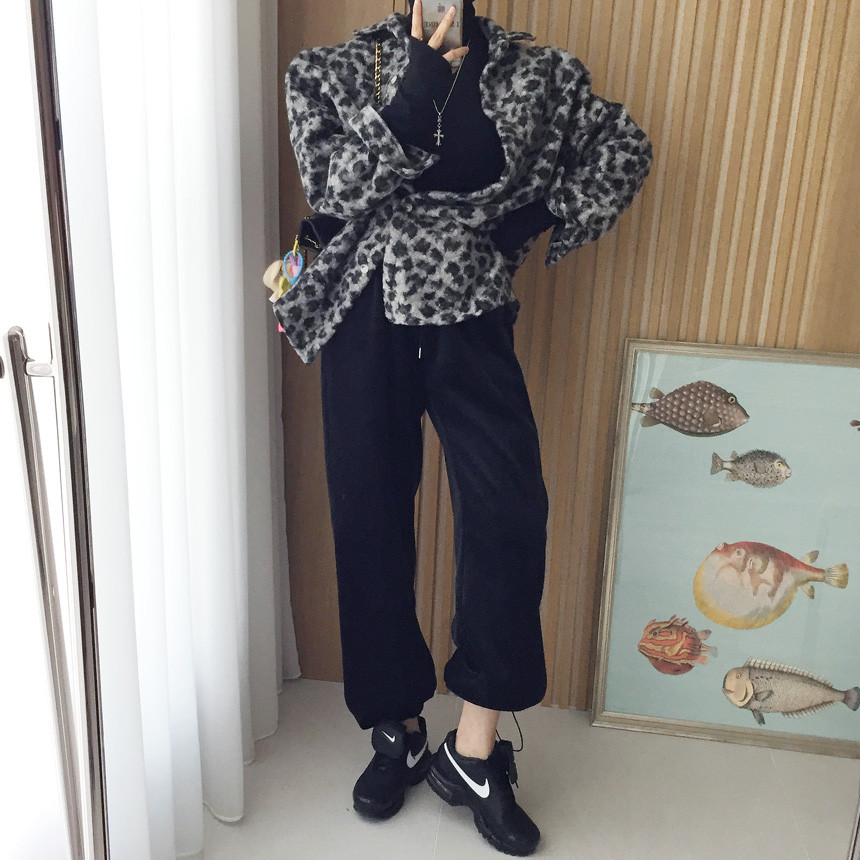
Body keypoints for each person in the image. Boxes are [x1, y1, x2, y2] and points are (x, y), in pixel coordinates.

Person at [274, 2, 651, 855]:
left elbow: (622, 149)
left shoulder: (542, 73)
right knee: (367, 513)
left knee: (508, 511)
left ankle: (475, 750)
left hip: (471, 311)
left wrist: (523, 226)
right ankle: (396, 726)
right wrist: (413, 92)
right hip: (361, 310)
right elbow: (333, 189)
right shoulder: (328, 70)